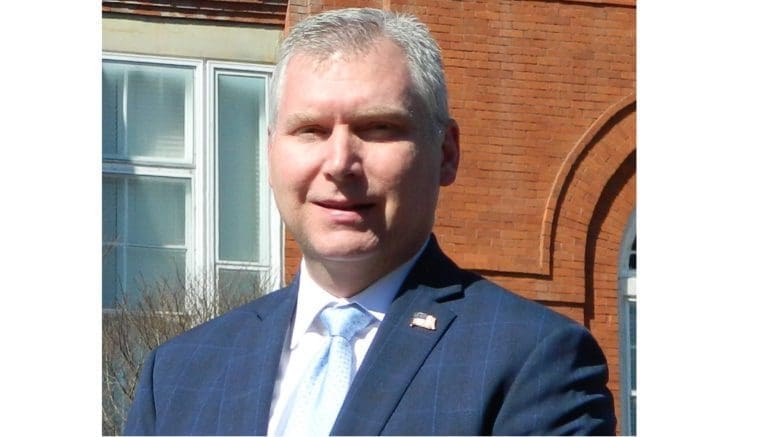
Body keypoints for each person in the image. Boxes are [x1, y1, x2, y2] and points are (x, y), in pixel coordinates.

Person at [124, 7, 616, 436]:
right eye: (310, 130)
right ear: (271, 152)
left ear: (446, 153)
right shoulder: (178, 374)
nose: (339, 162)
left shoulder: (532, 359)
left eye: (378, 128)